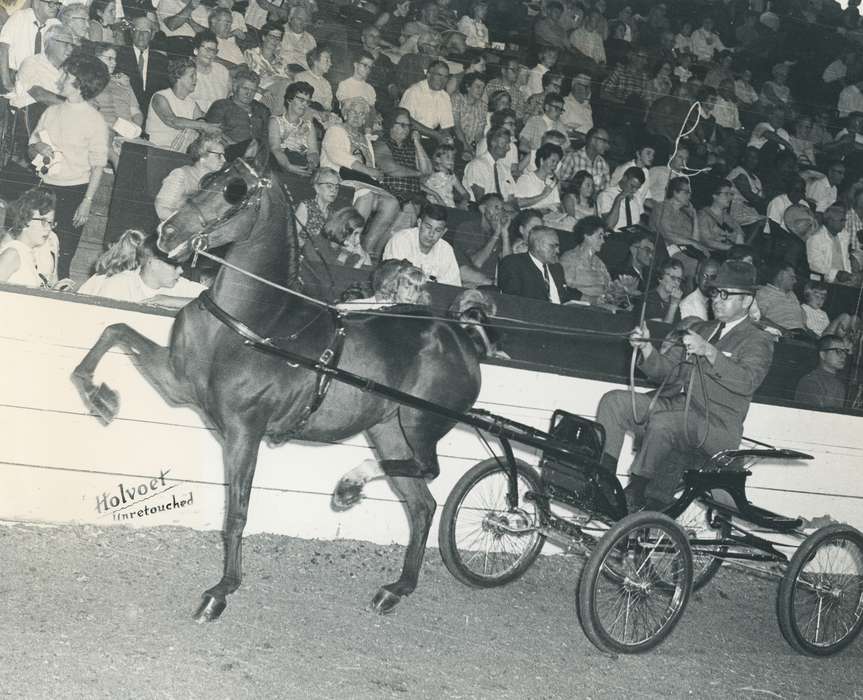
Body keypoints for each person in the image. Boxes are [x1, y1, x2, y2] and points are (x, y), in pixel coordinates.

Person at [596, 260, 774, 509]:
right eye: (714, 293)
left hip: (716, 425)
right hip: (675, 407)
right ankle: (601, 482)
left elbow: (747, 381)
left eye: (726, 294)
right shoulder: (700, 327)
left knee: (664, 423)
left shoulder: (758, 340)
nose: (717, 300)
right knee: (614, 402)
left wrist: (710, 352)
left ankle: (637, 490)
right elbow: (666, 370)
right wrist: (647, 349)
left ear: (746, 301)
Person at [28, 52, 110, 280]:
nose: (59, 79)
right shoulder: (51, 111)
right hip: (45, 187)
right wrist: (38, 148)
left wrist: (87, 202)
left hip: (75, 192)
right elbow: (31, 145)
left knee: (63, 253)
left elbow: (98, 166)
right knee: (36, 247)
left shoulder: (94, 121)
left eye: (65, 75)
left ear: (79, 83)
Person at [320, 96, 399, 258]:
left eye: (362, 114)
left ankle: (365, 249)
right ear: (345, 113)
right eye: (353, 112)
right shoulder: (335, 130)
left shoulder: (365, 139)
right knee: (366, 194)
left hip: (361, 182)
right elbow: (338, 156)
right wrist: (369, 171)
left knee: (392, 203)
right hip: (337, 180)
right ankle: (346, 246)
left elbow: (371, 166)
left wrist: (376, 174)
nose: (357, 116)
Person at [78, 233, 207, 307]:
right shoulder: (119, 284)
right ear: (154, 262)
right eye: (175, 266)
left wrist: (171, 301)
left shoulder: (180, 285)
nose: (181, 271)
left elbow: (220, 303)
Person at [146, 56, 221, 151]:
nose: (196, 79)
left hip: (178, 154)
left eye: (196, 76)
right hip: (156, 150)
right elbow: (173, 121)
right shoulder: (160, 97)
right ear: (178, 77)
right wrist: (203, 126)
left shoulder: (192, 104)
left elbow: (203, 123)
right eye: (192, 76)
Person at [382, 202, 461, 286]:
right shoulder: (401, 240)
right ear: (419, 223)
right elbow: (392, 280)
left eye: (437, 230)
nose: (431, 234)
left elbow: (452, 286)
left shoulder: (446, 250)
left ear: (443, 232)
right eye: (428, 227)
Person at [497, 226, 577, 304]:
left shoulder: (557, 268)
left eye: (557, 246)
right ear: (538, 245)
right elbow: (512, 300)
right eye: (552, 246)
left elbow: (565, 294)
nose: (558, 251)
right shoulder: (514, 264)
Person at [154, 134, 226, 221]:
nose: (224, 160)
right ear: (202, 156)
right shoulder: (181, 174)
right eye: (218, 155)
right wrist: (189, 224)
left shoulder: (215, 181)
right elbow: (161, 209)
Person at [374, 107, 433, 208]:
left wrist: (417, 142)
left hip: (414, 197)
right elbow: (391, 169)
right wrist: (418, 173)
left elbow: (427, 171)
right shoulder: (381, 143)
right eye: (402, 125)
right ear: (391, 125)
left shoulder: (411, 147)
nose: (407, 129)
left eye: (409, 126)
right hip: (392, 193)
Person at [0, 188, 58, 288]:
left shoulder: (27, 254)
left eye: (51, 223)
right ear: (25, 220)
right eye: (43, 221)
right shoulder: (12, 254)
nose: (48, 228)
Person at [115, 14, 170, 116]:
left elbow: (164, 90)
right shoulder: (119, 55)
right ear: (131, 32)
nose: (141, 35)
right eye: (137, 30)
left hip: (153, 111)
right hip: (126, 109)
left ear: (152, 35)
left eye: (146, 31)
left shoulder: (161, 60)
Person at [205, 66, 271, 147]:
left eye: (253, 90)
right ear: (235, 86)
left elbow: (268, 137)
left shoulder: (262, 109)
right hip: (228, 153)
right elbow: (211, 133)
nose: (248, 94)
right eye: (245, 88)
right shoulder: (221, 106)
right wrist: (235, 147)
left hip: (258, 155)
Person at [268, 80, 318, 176]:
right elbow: (275, 149)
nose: (305, 105)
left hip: (302, 166)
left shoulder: (309, 126)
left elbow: (313, 152)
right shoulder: (275, 121)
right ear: (289, 100)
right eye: (301, 100)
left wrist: (312, 164)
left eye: (308, 102)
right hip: (281, 165)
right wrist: (288, 166)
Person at [399, 60, 455, 144]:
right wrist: (436, 135)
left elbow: (447, 125)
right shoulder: (414, 91)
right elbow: (407, 121)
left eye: (445, 77)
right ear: (428, 75)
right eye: (439, 75)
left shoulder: (444, 96)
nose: (442, 80)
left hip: (432, 139)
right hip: (409, 137)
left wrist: (444, 138)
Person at [559, 215, 612, 302]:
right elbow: (565, 288)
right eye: (599, 236)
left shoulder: (599, 262)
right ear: (587, 235)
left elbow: (609, 286)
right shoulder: (569, 258)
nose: (603, 241)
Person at [303, 206, 372, 269]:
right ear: (342, 230)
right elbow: (327, 277)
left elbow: (362, 279)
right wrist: (343, 256)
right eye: (355, 234)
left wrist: (363, 259)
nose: (358, 240)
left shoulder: (350, 250)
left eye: (359, 235)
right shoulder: (314, 245)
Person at [807, 202, 858, 284]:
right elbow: (814, 265)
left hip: (845, 279)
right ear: (830, 221)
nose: (844, 224)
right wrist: (836, 273)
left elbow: (846, 258)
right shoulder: (815, 239)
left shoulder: (844, 234)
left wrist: (850, 274)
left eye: (844, 220)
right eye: (841, 220)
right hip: (828, 280)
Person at [794, 334, 849, 410]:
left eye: (845, 351)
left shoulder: (840, 385)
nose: (844, 356)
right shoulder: (810, 382)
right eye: (838, 351)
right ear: (823, 355)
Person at [462, 126, 516, 203]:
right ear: (493, 143)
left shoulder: (504, 168)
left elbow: (512, 198)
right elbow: (481, 200)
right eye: (504, 144)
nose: (508, 148)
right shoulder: (477, 165)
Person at [755, 262, 806, 333]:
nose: (795, 281)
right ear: (780, 276)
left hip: (801, 335)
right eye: (792, 277)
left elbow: (802, 322)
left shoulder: (792, 295)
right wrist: (784, 331)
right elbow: (759, 318)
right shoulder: (763, 293)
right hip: (780, 336)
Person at [295, 167, 341, 243]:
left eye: (336, 187)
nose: (334, 190)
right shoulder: (306, 206)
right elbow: (292, 236)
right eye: (329, 186)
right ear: (317, 188)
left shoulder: (334, 214)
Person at [698, 179, 744, 253]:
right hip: (712, 255)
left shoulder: (729, 218)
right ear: (714, 196)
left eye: (731, 194)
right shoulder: (703, 215)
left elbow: (739, 236)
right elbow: (706, 241)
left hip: (731, 254)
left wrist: (740, 252)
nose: (730, 198)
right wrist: (733, 249)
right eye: (726, 194)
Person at [562, 127, 610, 193]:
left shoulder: (603, 164)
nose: (607, 146)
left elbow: (606, 190)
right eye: (604, 141)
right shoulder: (572, 158)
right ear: (592, 140)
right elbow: (560, 183)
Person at [451, 72, 486, 161]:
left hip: (470, 145)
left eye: (483, 88)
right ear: (468, 86)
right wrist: (466, 147)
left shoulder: (482, 106)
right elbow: (456, 126)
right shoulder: (457, 98)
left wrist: (479, 151)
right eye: (478, 87)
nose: (481, 90)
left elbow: (479, 134)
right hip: (454, 141)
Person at [598, 166, 645, 232]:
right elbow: (609, 226)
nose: (634, 190)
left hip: (633, 237)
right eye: (632, 186)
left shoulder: (637, 195)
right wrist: (619, 198)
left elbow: (640, 222)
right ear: (624, 178)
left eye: (637, 188)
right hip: (615, 237)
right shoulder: (606, 195)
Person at [423, 143, 468, 207]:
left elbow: (464, 193)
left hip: (449, 207)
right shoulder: (431, 174)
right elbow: (419, 185)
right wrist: (435, 194)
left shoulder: (451, 176)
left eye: (453, 158)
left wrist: (464, 201)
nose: (451, 160)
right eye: (448, 157)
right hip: (434, 208)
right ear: (438, 159)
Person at [641, 258, 683, 324]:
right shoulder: (647, 299)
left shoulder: (673, 300)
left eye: (679, 279)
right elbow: (661, 330)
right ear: (660, 277)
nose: (676, 283)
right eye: (673, 277)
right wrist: (673, 305)